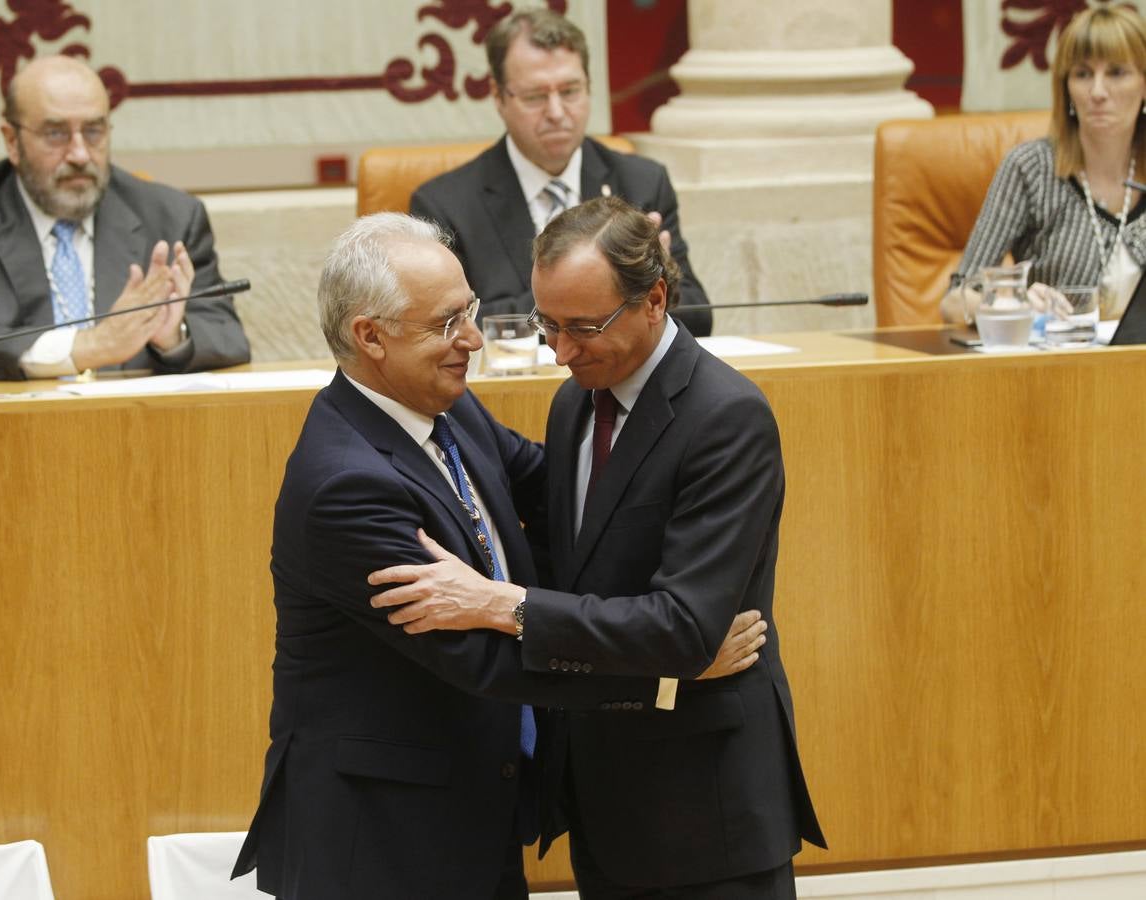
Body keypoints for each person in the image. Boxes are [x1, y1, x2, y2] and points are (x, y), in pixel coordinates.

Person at [232, 213, 759, 900]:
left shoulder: (446, 412)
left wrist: (683, 588)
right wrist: (668, 673)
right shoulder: (346, 485)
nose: (474, 341)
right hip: (378, 843)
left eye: (470, 312)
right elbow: (486, 660)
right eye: (447, 323)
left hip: (467, 817)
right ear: (371, 337)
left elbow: (566, 502)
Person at [370, 197, 825, 899]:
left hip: (707, 813)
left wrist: (504, 605)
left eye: (584, 326)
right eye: (546, 324)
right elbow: (575, 552)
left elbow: (683, 628)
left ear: (655, 301)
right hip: (606, 807)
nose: (561, 350)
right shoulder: (577, 399)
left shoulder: (726, 418)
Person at [0, 55, 251, 382]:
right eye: (56, 133)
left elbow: (226, 335)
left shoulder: (172, 216)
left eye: (94, 131)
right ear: (11, 140)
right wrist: (89, 347)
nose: (80, 154)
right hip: (7, 433)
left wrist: (173, 337)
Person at [410, 9, 712, 334]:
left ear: (589, 86)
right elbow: (449, 326)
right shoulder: (444, 206)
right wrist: (616, 289)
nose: (556, 112)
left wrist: (659, 282)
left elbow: (698, 315)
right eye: (535, 96)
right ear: (498, 97)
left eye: (570, 92)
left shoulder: (642, 183)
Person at [942, 3, 1146, 326]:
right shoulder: (1031, 169)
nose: (1097, 91)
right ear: (1066, 88)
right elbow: (955, 302)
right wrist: (1016, 302)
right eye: (1082, 74)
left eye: (1117, 73)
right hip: (1059, 368)